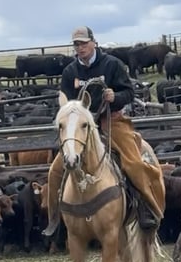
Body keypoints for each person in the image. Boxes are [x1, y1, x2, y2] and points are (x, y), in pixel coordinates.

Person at [42, 26, 165, 234]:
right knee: (55, 171)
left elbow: (129, 92)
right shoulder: (70, 71)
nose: (80, 48)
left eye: (83, 43)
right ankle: (54, 218)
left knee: (134, 163)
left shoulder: (112, 65)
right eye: (76, 44)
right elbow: (65, 101)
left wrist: (115, 97)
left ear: (93, 42)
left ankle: (148, 208)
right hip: (81, 128)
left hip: (111, 121)